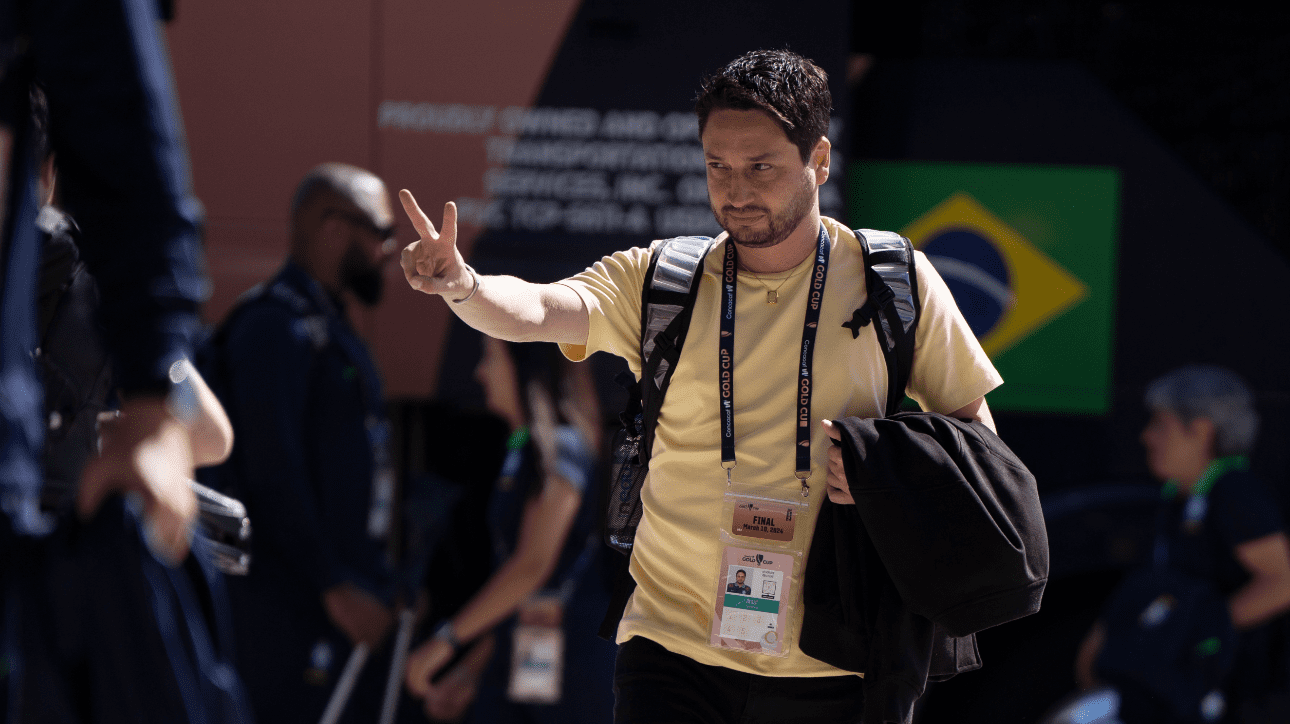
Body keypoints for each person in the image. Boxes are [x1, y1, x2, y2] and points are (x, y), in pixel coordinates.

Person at [399, 49, 1001, 722]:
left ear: (820, 160)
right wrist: (464, 286)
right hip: (670, 651)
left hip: (838, 657)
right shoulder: (661, 280)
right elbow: (540, 309)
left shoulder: (896, 280)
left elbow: (975, 442)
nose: (735, 189)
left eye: (760, 166)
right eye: (717, 165)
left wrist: (889, 476)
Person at [210, 162, 400, 724]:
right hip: (291, 613)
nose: (390, 250)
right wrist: (334, 586)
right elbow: (271, 471)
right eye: (382, 232)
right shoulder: (274, 328)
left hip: (340, 603)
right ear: (334, 227)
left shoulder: (331, 326)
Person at [407, 336, 614, 722]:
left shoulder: (565, 447)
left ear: (523, 367)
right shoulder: (522, 448)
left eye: (490, 359)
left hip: (574, 671)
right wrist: (470, 671)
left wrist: (446, 640)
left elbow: (532, 565)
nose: (479, 373)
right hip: (522, 663)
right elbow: (520, 593)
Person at [1074, 366, 1290, 723]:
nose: (1147, 437)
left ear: (1201, 430)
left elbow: (1282, 583)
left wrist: (1196, 631)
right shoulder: (1179, 498)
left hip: (1237, 696)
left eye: (1161, 425)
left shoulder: (1235, 492)